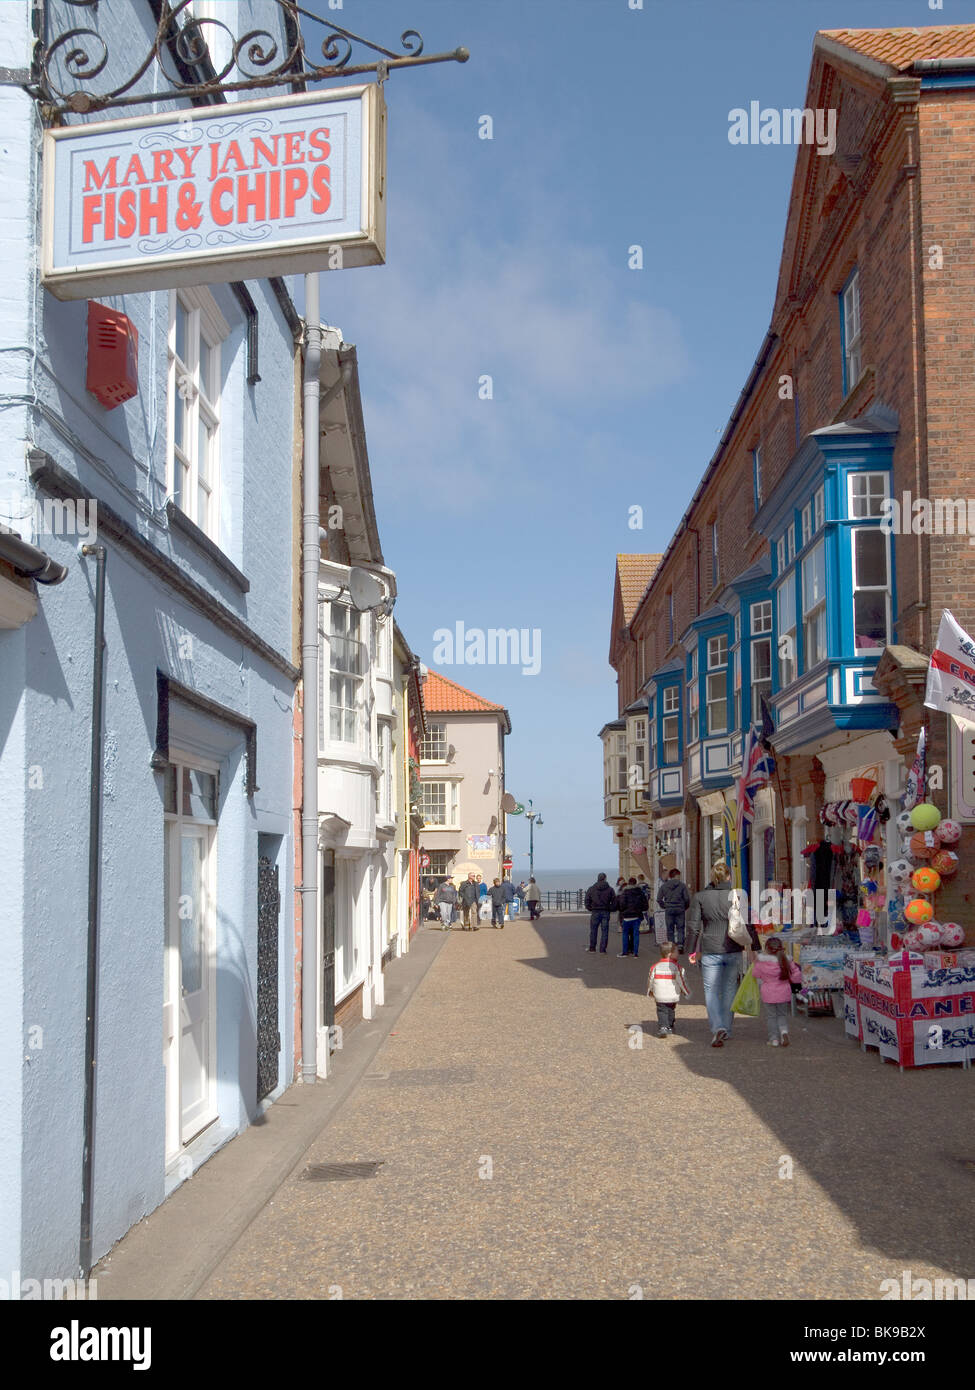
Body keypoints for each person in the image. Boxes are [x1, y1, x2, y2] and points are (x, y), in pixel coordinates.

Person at [687, 862, 760, 1047]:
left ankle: (717, 1027)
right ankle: (726, 1028)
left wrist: (691, 950)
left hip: (710, 949)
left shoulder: (700, 897)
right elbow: (748, 924)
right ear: (729, 877)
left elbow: (694, 926)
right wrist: (754, 949)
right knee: (729, 989)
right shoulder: (737, 896)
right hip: (733, 948)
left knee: (710, 991)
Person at [752, 936, 802, 1047]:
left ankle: (773, 1039)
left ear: (767, 949)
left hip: (768, 993)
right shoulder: (786, 961)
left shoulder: (762, 963)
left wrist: (756, 962)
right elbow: (796, 975)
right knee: (782, 1015)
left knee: (771, 1017)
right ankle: (784, 1032)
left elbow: (755, 974)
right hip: (784, 992)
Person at [647, 941, 689, 1036]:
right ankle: (669, 1024)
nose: (678, 954)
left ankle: (663, 1026)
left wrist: (650, 990)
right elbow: (681, 981)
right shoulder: (677, 967)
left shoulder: (655, 967)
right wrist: (686, 991)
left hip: (660, 993)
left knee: (661, 1009)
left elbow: (650, 979)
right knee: (671, 1008)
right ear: (670, 954)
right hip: (672, 994)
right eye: (676, 952)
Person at [656, 868, 691, 952]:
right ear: (677, 875)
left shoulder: (664, 885)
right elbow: (687, 899)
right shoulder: (682, 885)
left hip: (669, 909)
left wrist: (664, 906)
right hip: (680, 909)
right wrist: (685, 907)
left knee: (670, 929)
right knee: (680, 928)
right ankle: (680, 945)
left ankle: (671, 946)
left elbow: (659, 898)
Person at [584, 872, 617, 952]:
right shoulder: (610, 889)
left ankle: (592, 948)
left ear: (598, 878)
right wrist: (610, 908)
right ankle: (602, 949)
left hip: (595, 911)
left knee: (593, 930)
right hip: (605, 911)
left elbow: (587, 900)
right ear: (605, 878)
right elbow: (614, 901)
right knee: (605, 931)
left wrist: (590, 908)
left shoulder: (591, 889)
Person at [616, 877, 646, 958]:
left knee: (625, 934)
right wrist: (638, 909)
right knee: (636, 934)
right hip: (637, 917)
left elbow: (621, 905)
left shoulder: (625, 892)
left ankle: (625, 952)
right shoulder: (640, 892)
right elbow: (645, 906)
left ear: (628, 883)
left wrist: (624, 911)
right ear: (636, 883)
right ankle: (635, 953)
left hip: (626, 917)